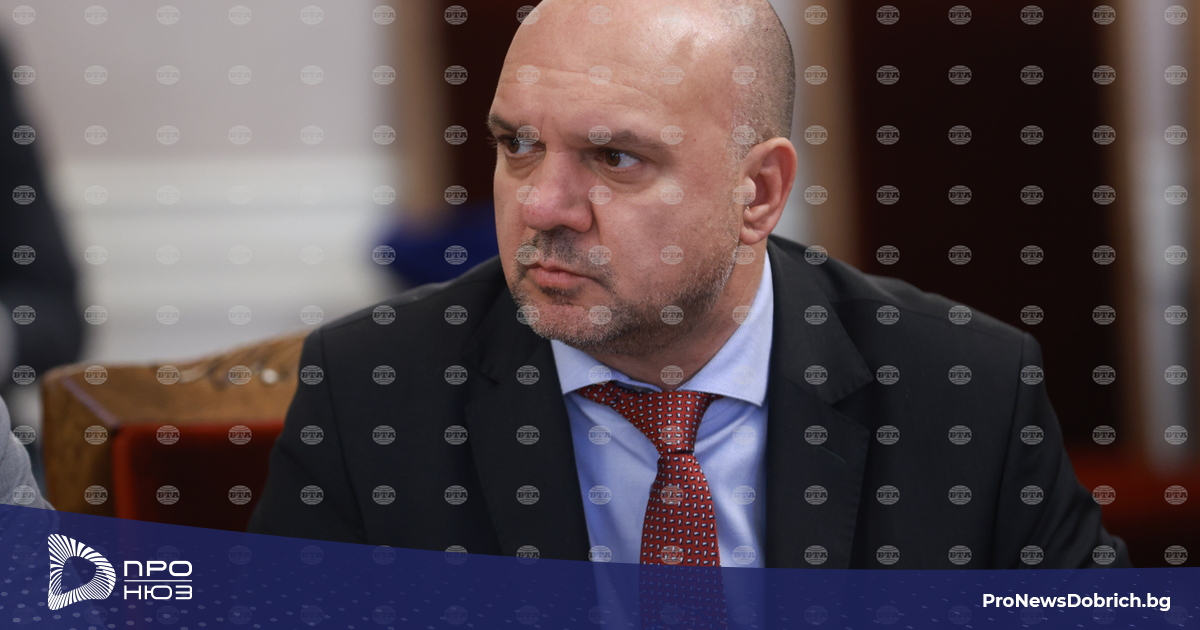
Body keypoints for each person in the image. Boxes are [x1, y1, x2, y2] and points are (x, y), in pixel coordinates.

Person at [250, 0, 1129, 569]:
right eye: (518, 144)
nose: (542, 205)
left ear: (759, 193)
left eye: (614, 156)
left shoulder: (964, 384)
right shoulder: (375, 387)